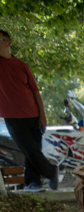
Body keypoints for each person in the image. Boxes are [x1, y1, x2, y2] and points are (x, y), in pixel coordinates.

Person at [0, 29, 60, 192]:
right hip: (12, 117)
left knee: (32, 152)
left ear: (8, 42)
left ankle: (33, 184)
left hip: (33, 115)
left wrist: (43, 116)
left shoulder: (21, 65)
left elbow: (35, 92)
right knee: (29, 149)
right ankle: (51, 171)